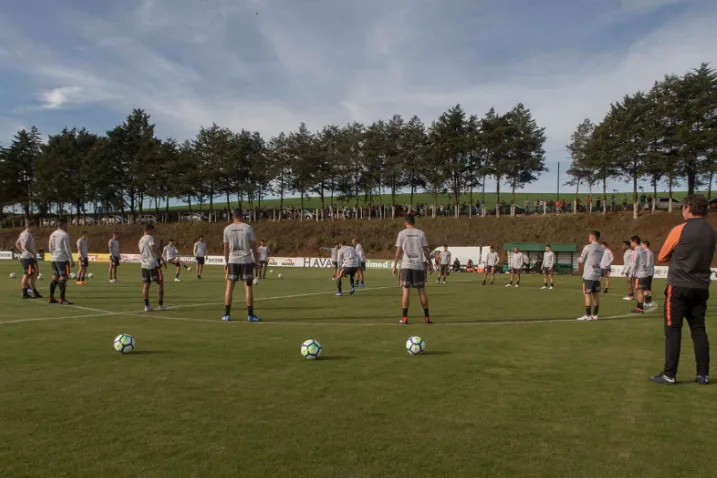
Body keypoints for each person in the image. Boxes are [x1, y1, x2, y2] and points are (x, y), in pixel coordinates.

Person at [651, 194, 715, 385]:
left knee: (673, 330)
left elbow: (662, 256)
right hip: (701, 286)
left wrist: (679, 257)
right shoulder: (712, 231)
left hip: (679, 286)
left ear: (687, 208)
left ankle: (669, 373)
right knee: (698, 329)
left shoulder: (680, 229)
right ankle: (702, 374)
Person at [222, 208, 261, 322]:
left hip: (233, 261)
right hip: (246, 261)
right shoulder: (248, 227)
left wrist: (226, 262)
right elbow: (253, 245)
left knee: (229, 288)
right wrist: (257, 261)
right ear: (242, 216)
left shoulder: (227, 229)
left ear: (232, 216)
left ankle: (227, 315)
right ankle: (250, 315)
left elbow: (225, 246)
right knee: (248, 288)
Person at [392, 214, 433, 324]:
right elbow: (425, 250)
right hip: (419, 266)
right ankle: (427, 317)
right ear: (414, 222)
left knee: (406, 292)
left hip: (406, 265)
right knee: (422, 292)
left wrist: (395, 265)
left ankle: (405, 318)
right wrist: (430, 263)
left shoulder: (402, 233)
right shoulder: (420, 233)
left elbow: (398, 251)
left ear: (405, 222)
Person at [139, 224, 168, 312]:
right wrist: (162, 259)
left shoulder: (140, 240)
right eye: (152, 230)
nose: (153, 232)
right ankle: (160, 305)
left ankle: (147, 306)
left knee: (146, 285)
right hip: (153, 264)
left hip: (144, 265)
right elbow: (153, 249)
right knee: (160, 283)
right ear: (149, 230)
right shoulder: (150, 238)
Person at [577, 231, 604, 321]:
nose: (588, 238)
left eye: (589, 236)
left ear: (592, 237)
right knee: (596, 294)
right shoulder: (601, 248)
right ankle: (595, 314)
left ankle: (587, 315)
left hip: (589, 274)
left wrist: (578, 259)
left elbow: (581, 260)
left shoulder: (588, 247)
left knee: (587, 294)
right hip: (597, 273)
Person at [48, 219, 75, 304]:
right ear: (63, 225)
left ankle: (51, 297)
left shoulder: (53, 234)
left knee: (55, 276)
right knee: (64, 277)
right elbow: (67, 248)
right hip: (63, 259)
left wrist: (53, 254)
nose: (67, 226)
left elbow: (50, 247)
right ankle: (62, 299)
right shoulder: (64, 235)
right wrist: (71, 259)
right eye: (66, 224)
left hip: (54, 258)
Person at [16, 220, 41, 299]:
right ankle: (25, 293)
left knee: (34, 273)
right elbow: (26, 245)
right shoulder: (28, 234)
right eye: (35, 227)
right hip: (28, 257)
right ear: (32, 226)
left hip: (27, 257)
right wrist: (32, 253)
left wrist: (21, 251)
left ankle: (34, 291)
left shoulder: (22, 234)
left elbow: (17, 243)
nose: (35, 228)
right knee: (27, 274)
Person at [630, 236, 648, 314]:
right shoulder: (643, 249)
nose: (631, 244)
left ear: (634, 242)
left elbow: (634, 263)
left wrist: (630, 274)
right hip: (644, 272)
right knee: (641, 290)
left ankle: (640, 308)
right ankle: (639, 307)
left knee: (639, 291)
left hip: (639, 273)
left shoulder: (635, 251)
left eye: (631, 242)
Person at [643, 240, 655, 307]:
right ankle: (647, 301)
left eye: (642, 244)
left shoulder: (647, 252)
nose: (641, 246)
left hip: (647, 272)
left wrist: (643, 267)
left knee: (646, 287)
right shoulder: (650, 252)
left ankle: (647, 301)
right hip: (649, 271)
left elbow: (647, 263)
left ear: (645, 245)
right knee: (647, 287)